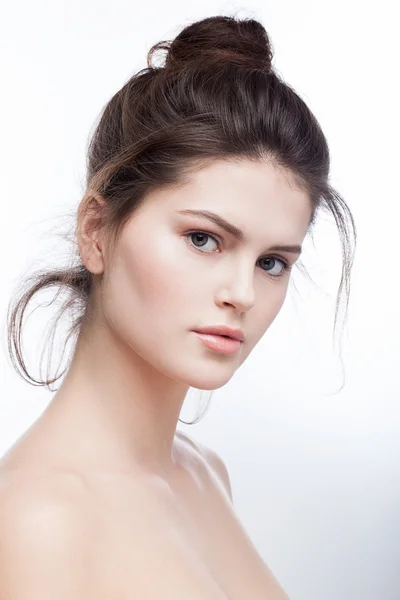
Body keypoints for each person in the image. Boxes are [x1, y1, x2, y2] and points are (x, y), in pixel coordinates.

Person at [0, 14, 356, 600]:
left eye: (273, 262)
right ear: (96, 230)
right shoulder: (37, 524)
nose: (241, 293)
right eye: (203, 239)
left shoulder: (204, 474)